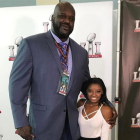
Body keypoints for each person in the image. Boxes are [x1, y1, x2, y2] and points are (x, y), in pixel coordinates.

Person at [9, 2, 117, 140]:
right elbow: (17, 86)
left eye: (71, 18)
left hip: (72, 127)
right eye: (62, 16)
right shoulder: (32, 45)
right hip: (42, 126)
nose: (67, 21)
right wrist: (20, 122)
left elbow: (88, 87)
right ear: (53, 17)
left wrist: (108, 105)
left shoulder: (81, 53)